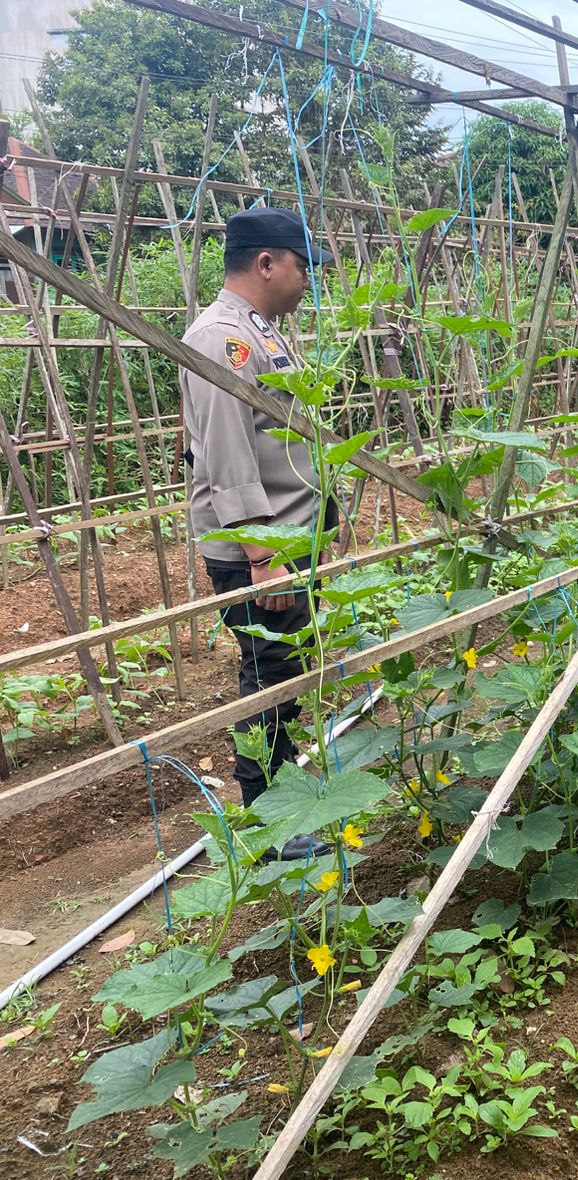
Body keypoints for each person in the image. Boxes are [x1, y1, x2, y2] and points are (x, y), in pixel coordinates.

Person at [181, 208, 334, 857]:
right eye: (302, 267)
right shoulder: (222, 338)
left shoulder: (258, 331)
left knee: (287, 668)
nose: (307, 282)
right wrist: (264, 556)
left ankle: (281, 798)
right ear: (266, 263)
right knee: (270, 674)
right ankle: (273, 820)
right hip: (261, 551)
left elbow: (285, 440)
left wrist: (328, 515)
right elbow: (227, 453)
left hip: (287, 539)